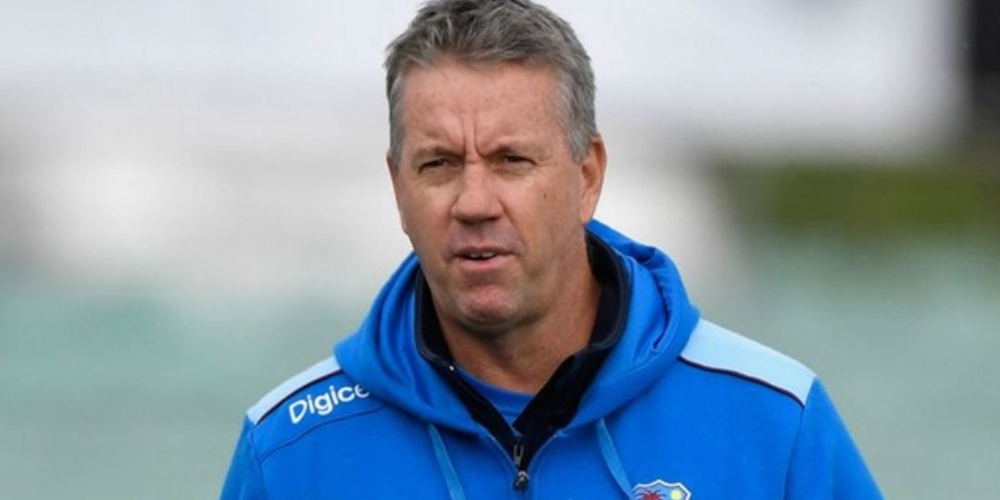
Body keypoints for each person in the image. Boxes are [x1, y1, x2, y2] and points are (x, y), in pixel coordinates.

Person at [221, 0, 882, 498]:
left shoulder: (774, 424)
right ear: (398, 188)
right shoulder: (288, 455)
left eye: (511, 160)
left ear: (587, 176)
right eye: (439, 165)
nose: (475, 202)